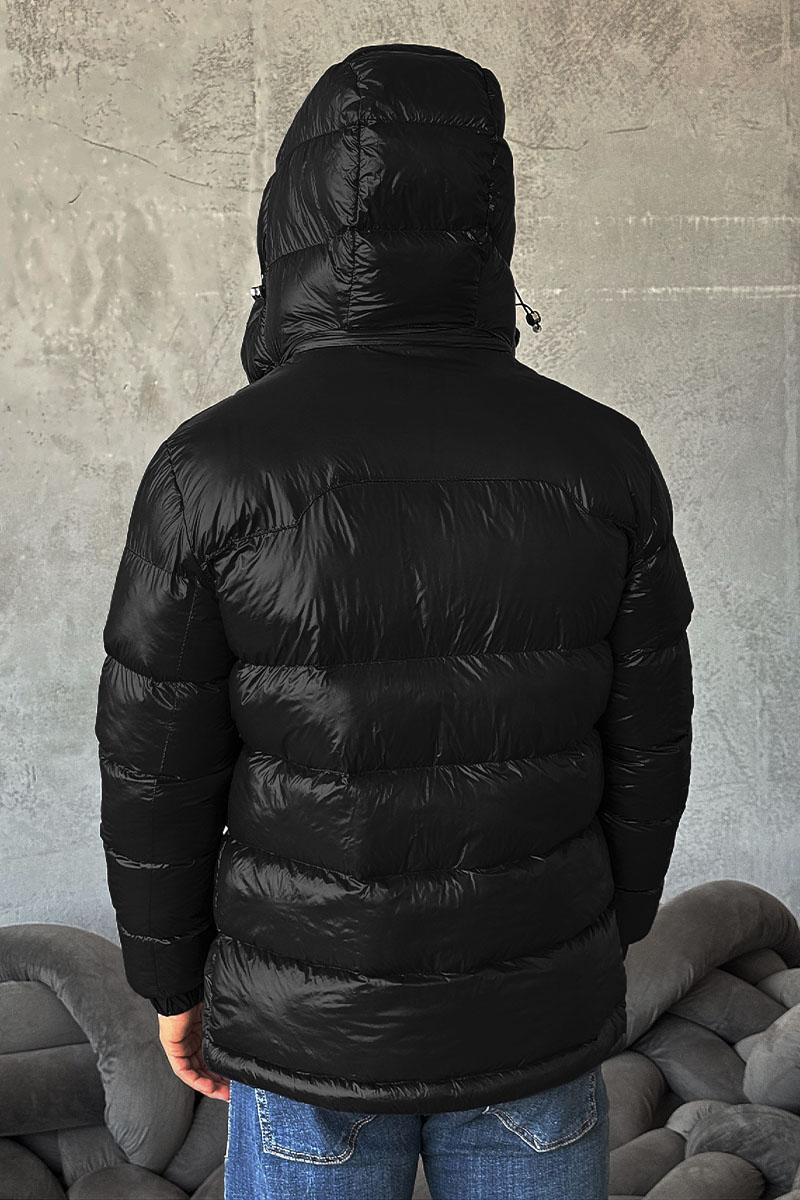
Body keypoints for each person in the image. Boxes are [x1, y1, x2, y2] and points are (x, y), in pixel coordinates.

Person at [95, 41, 694, 1200]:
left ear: (292, 217)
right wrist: (601, 937)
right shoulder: (601, 455)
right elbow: (648, 743)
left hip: (307, 1019)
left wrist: (169, 979)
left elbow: (153, 764)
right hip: (532, 1006)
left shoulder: (210, 466)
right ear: (488, 217)